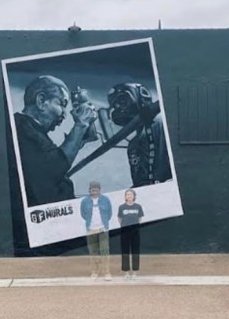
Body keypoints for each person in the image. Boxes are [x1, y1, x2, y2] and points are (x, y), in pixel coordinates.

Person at [14, 75, 97, 207]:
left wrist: (77, 140)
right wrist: (81, 125)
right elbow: (53, 167)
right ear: (41, 101)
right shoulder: (20, 128)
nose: (64, 114)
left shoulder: (30, 129)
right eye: (62, 104)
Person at [106, 83, 171, 187]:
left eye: (123, 101)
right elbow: (141, 183)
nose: (118, 107)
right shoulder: (133, 146)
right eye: (115, 104)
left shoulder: (161, 125)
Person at [80, 181, 113, 280]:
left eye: (96, 190)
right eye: (92, 190)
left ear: (100, 190)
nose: (94, 192)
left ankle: (106, 272)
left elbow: (109, 213)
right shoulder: (85, 201)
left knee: (105, 250)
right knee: (93, 251)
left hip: (103, 229)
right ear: (89, 190)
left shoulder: (105, 200)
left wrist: (104, 223)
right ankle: (94, 272)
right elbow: (83, 214)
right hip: (90, 230)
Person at [117, 188, 144, 279]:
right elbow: (120, 218)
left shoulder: (138, 206)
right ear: (125, 197)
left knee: (135, 251)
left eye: (131, 194)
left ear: (134, 196)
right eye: (127, 194)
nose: (129, 196)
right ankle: (126, 273)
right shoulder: (121, 207)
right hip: (124, 231)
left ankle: (135, 272)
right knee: (125, 251)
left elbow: (140, 218)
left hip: (135, 231)